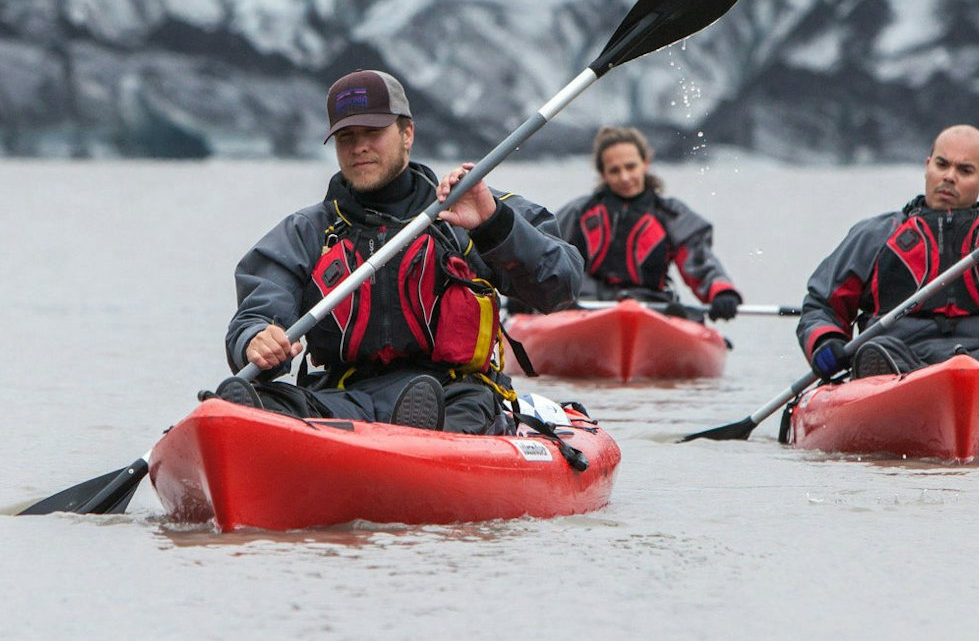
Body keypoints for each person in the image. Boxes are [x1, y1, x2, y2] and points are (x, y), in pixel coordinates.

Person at [213, 69, 582, 432]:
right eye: (346, 137)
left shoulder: (473, 208)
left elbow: (560, 286)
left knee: (448, 410)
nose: (359, 147)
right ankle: (259, 432)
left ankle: (418, 439)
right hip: (344, 397)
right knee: (257, 398)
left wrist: (494, 224)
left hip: (456, 395)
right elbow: (257, 312)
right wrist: (256, 340)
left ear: (407, 134)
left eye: (373, 132)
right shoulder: (306, 232)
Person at [798, 124, 979, 380]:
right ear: (927, 166)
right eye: (942, 165)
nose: (949, 177)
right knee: (875, 346)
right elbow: (821, 305)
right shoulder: (876, 234)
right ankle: (879, 377)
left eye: (965, 170)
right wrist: (825, 342)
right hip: (900, 354)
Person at [552, 126, 742, 320]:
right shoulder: (578, 213)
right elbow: (543, 257)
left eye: (630, 167)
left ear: (645, 163)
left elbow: (699, 261)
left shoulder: (671, 215)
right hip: (585, 309)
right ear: (603, 174)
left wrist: (721, 291)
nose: (625, 177)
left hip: (651, 310)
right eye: (615, 171)